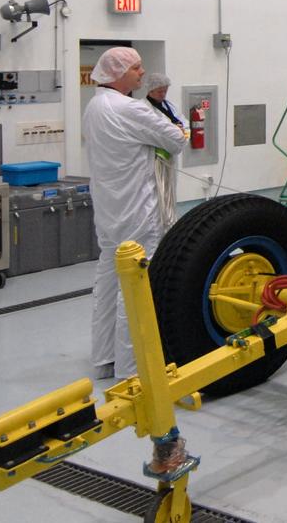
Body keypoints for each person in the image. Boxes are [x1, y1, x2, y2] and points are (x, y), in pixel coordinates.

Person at [84, 47, 186, 379]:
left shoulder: (95, 106)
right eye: (137, 68)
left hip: (109, 211)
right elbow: (176, 140)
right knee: (138, 287)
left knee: (108, 284)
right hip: (138, 213)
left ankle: (103, 362)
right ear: (118, 73)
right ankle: (132, 369)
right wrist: (176, 128)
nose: (143, 74)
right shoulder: (128, 109)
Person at [142, 72, 188, 232]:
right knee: (158, 195)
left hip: (171, 157)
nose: (163, 94)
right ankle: (158, 229)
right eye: (160, 91)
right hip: (155, 160)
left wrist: (182, 132)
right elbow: (152, 132)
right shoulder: (143, 108)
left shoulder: (170, 106)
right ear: (150, 90)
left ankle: (170, 226)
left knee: (170, 193)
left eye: (165, 90)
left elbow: (183, 123)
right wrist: (174, 133)